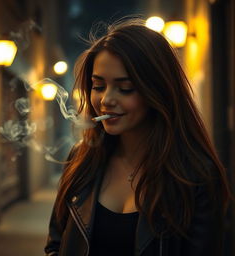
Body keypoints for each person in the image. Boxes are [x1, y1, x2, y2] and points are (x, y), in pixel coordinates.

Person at [44, 18, 232, 256]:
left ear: (158, 91)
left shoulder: (195, 175)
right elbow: (56, 245)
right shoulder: (81, 159)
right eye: (98, 86)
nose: (106, 100)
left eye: (125, 88)